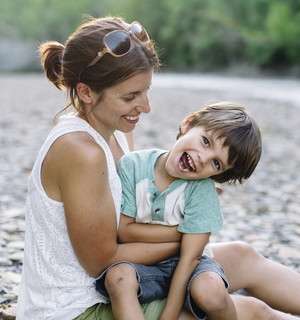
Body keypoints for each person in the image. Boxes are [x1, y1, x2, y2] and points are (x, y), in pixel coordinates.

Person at [17, 14, 300, 320]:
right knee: (249, 311)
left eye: (146, 91)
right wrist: (190, 236)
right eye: (130, 97)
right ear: (85, 93)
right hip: (78, 306)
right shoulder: (80, 150)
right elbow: (103, 260)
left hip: (120, 276)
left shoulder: (116, 131)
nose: (145, 107)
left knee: (242, 256)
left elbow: (137, 203)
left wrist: (186, 212)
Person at [95, 103, 262, 320]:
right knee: (117, 277)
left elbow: (189, 258)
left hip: (191, 267)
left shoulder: (202, 190)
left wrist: (169, 316)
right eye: (205, 141)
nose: (203, 158)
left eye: (217, 164)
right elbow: (124, 231)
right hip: (143, 266)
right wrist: (185, 233)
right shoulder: (133, 166)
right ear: (188, 123)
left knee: (211, 290)